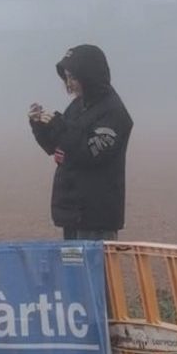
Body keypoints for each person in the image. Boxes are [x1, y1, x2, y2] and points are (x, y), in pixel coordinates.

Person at [28, 44, 133, 240]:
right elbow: (56, 148)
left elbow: (89, 153)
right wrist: (40, 126)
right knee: (72, 261)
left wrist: (59, 127)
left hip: (97, 218)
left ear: (89, 76)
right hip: (73, 213)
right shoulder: (78, 106)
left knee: (95, 262)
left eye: (74, 78)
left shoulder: (113, 113)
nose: (69, 84)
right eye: (66, 77)